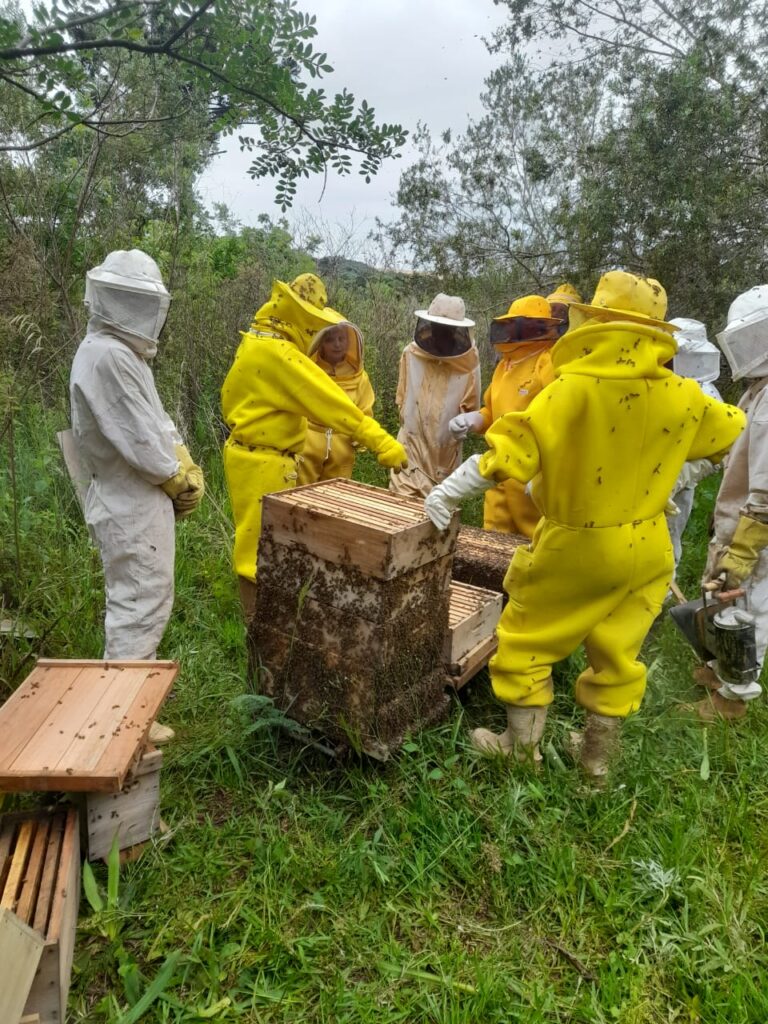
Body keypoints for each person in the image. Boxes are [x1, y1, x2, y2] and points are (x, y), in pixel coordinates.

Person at [425, 271, 745, 779]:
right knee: (619, 650)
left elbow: (510, 450)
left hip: (576, 541)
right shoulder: (685, 394)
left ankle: (519, 747)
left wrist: (446, 492)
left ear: (594, 323)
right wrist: (679, 470)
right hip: (648, 545)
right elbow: (731, 431)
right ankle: (597, 762)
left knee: (527, 636)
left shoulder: (571, 389)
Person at [70, 250, 204, 742]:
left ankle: (127, 711)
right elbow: (137, 437)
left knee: (147, 598)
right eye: (131, 301)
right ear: (110, 300)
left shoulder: (121, 353)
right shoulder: (105, 355)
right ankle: (121, 722)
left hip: (137, 501)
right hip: (129, 501)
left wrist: (183, 458)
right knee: (137, 604)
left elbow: (155, 421)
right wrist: (173, 474)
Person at [221, 273, 407, 617]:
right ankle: (261, 636)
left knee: (259, 546)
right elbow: (332, 404)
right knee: (260, 556)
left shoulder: (255, 340)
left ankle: (268, 627)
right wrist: (381, 441)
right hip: (266, 463)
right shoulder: (278, 354)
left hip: (251, 456)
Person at [696, 285, 768, 720]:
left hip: (757, 533)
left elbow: (766, 491)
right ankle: (719, 669)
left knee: (750, 607)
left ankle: (733, 700)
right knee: (726, 599)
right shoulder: (756, 391)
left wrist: (742, 549)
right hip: (739, 522)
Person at [449, 295, 561, 538]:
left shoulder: (548, 362)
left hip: (530, 473)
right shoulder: (505, 365)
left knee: (532, 545)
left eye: (525, 325)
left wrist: (547, 474)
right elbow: (491, 410)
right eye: (514, 325)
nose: (516, 331)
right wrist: (473, 420)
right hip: (498, 470)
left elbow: (560, 419)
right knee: (492, 541)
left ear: (541, 328)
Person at [389, 293, 481, 500]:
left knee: (437, 516)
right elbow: (401, 399)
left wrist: (464, 423)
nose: (441, 334)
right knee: (399, 510)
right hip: (409, 448)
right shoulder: (411, 354)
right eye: (438, 327)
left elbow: (472, 410)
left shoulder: (469, 364)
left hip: (444, 457)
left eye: (447, 330)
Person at [665, 318, 724, 568]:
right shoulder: (657, 384)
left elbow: (720, 451)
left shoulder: (708, 394)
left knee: (669, 537)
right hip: (645, 475)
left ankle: (665, 594)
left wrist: (682, 476)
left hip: (680, 482)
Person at [297, 320, 375, 485]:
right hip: (308, 446)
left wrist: (360, 437)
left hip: (342, 450)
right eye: (330, 340)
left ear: (349, 342)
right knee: (300, 498)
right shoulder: (308, 369)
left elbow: (365, 410)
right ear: (320, 343)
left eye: (341, 338)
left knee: (334, 499)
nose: (337, 344)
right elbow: (295, 404)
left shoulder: (359, 377)